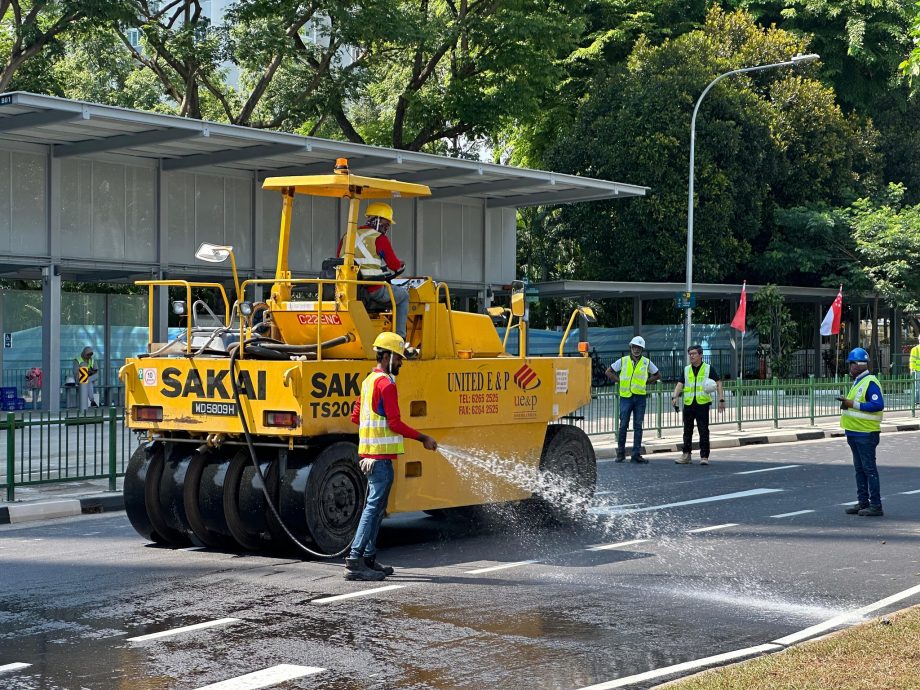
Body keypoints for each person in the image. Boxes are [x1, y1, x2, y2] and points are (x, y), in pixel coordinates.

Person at [345, 332, 438, 581]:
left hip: (369, 456)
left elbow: (356, 417)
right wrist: (423, 438)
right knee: (373, 508)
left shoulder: (368, 382)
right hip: (380, 459)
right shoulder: (386, 384)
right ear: (386, 357)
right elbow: (395, 423)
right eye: (398, 358)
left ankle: (368, 558)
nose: (401, 363)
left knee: (376, 508)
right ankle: (355, 560)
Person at [337, 202, 410, 338]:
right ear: (377, 220)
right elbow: (394, 265)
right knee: (404, 296)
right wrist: (400, 263)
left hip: (348, 290)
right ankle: (400, 337)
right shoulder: (380, 239)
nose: (387, 227)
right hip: (373, 289)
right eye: (386, 223)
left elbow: (339, 260)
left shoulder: (347, 236)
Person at [838, 347, 885, 517]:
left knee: (869, 469)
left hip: (866, 434)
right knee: (860, 470)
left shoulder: (870, 382)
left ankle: (876, 505)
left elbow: (878, 405)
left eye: (851, 364)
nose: (849, 368)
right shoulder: (858, 381)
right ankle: (863, 502)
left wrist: (852, 404)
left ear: (859, 364)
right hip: (854, 433)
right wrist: (846, 403)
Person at [606, 336, 660, 463]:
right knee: (623, 425)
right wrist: (619, 381)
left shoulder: (646, 362)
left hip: (640, 397)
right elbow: (608, 372)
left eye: (639, 348)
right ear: (631, 347)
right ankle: (620, 453)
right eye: (634, 347)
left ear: (642, 349)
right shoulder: (623, 360)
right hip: (626, 397)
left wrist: (647, 382)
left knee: (638, 426)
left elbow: (658, 374)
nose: (636, 349)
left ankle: (636, 454)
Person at [671, 345, 725, 465]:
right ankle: (686, 455)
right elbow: (680, 383)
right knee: (687, 430)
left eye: (694, 353)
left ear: (700, 355)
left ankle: (704, 456)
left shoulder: (708, 368)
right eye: (690, 354)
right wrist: (675, 396)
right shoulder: (686, 369)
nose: (691, 356)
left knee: (703, 430)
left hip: (702, 404)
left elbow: (719, 383)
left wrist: (721, 400)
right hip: (689, 404)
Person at [72, 346, 99, 411]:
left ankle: (92, 401)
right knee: (88, 382)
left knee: (89, 380)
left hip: (89, 377)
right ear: (84, 354)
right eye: (88, 355)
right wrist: (86, 372)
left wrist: (91, 372)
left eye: (90, 355)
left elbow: (96, 370)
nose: (89, 357)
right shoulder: (77, 360)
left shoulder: (92, 360)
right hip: (80, 378)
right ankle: (92, 400)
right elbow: (75, 372)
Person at [910, 334, 920, 405]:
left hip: (917, 370)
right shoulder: (915, 349)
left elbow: (912, 361)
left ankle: (917, 401)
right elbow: (912, 361)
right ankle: (917, 401)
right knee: (917, 387)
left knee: (917, 387)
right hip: (917, 371)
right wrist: (912, 369)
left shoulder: (915, 349)